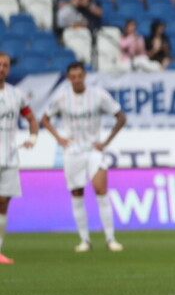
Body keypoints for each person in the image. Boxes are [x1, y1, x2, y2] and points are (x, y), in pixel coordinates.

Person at [40, 62, 127, 253]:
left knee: (100, 190)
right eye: (73, 77)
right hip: (72, 151)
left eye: (80, 76)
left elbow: (121, 117)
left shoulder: (98, 95)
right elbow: (44, 119)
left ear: (85, 76)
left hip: (94, 149)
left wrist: (106, 141)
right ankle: (84, 239)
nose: (77, 80)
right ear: (68, 78)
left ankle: (111, 238)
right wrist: (59, 138)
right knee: (77, 194)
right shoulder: (62, 97)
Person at [0, 52, 39, 264]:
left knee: (3, 202)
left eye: (5, 65)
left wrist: (33, 138)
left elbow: (31, 118)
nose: (2, 68)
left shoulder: (16, 94)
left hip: (9, 156)